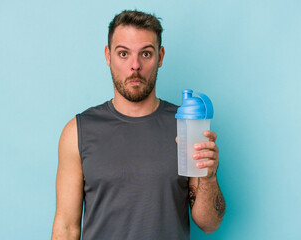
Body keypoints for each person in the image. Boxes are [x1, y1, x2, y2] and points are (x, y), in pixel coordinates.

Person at [51, 10, 225, 240]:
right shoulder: (77, 132)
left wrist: (209, 176)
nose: (135, 65)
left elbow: (209, 224)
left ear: (160, 57)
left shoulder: (186, 126)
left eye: (146, 54)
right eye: (123, 53)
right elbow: (66, 227)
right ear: (108, 56)